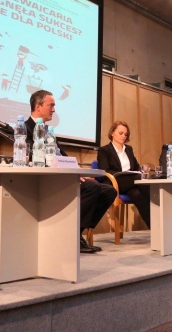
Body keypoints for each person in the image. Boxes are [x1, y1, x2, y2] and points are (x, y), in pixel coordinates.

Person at [25, 90, 116, 253]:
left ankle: (75, 232)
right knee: (92, 187)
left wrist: (78, 172)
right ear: (38, 106)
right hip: (50, 180)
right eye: (51, 105)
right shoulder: (25, 128)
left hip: (66, 176)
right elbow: (35, 159)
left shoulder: (48, 130)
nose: (54, 110)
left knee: (109, 191)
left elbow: (62, 156)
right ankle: (70, 235)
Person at [97, 121, 151, 230]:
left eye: (125, 134)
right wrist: (124, 175)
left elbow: (136, 167)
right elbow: (105, 171)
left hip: (130, 185)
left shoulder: (129, 149)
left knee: (137, 195)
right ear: (112, 133)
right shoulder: (104, 150)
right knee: (139, 178)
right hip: (114, 182)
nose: (123, 136)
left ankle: (157, 229)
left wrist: (142, 170)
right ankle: (156, 199)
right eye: (120, 133)